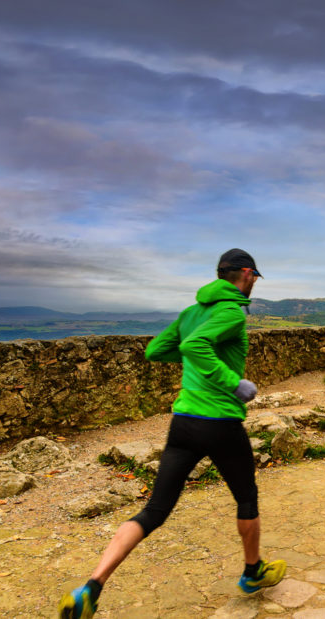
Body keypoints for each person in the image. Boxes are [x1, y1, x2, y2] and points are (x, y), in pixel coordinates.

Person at [59, 249, 285, 618]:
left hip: (183, 422)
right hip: (220, 422)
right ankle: (251, 572)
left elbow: (157, 349)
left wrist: (195, 363)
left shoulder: (191, 313)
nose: (255, 283)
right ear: (246, 273)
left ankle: (91, 587)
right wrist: (233, 382)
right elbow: (194, 346)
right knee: (246, 498)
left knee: (155, 510)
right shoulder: (230, 311)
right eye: (255, 276)